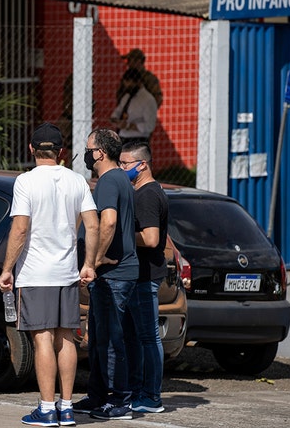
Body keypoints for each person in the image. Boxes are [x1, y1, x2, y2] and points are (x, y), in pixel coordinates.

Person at [0, 123, 99, 427]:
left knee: (42, 339)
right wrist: (89, 263)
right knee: (66, 337)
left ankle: (46, 407)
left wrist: (6, 268)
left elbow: (20, 227)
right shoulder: (77, 180)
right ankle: (66, 407)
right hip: (67, 272)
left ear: (31, 149)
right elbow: (92, 225)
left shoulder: (25, 182)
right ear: (62, 152)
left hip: (36, 273)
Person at [74, 129, 139, 420]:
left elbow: (108, 222)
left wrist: (94, 262)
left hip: (114, 274)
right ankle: (98, 395)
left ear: (100, 152)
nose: (87, 154)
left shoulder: (110, 181)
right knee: (100, 337)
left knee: (111, 339)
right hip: (111, 275)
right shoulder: (116, 180)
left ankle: (120, 400)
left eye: (89, 149)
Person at [119, 141, 169, 414]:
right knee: (135, 337)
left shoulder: (147, 194)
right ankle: (138, 391)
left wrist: (121, 236)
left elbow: (151, 239)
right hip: (139, 275)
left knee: (148, 337)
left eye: (125, 164)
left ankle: (151, 396)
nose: (122, 168)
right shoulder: (144, 191)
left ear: (143, 164)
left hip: (144, 275)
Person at [110, 68, 158, 144]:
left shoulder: (148, 100)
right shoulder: (127, 97)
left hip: (138, 139)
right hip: (122, 136)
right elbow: (117, 112)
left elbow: (149, 126)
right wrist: (116, 120)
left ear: (138, 82)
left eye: (130, 85)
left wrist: (129, 126)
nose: (127, 88)